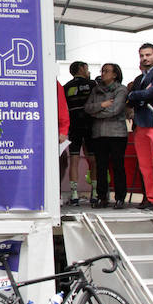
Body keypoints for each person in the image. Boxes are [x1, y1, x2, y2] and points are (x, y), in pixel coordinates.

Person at [126, 43, 153, 209]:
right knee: (145, 166)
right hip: (140, 124)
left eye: (148, 55)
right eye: (142, 55)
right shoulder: (140, 78)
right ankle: (152, 199)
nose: (145, 58)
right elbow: (130, 98)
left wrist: (136, 94)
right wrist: (138, 95)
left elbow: (151, 92)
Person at [85, 64, 128, 209]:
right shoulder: (96, 90)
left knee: (117, 165)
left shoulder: (121, 89)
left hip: (117, 133)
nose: (103, 73)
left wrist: (97, 111)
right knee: (100, 166)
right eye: (102, 71)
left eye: (106, 71)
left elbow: (115, 109)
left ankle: (120, 197)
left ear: (115, 74)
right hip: (98, 134)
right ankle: (102, 197)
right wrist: (103, 104)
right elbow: (87, 108)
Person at [63, 61, 97, 204]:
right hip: (90, 125)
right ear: (82, 69)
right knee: (93, 159)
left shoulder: (66, 87)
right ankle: (95, 193)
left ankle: (75, 194)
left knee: (74, 159)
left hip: (73, 126)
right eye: (87, 68)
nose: (88, 71)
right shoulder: (92, 85)